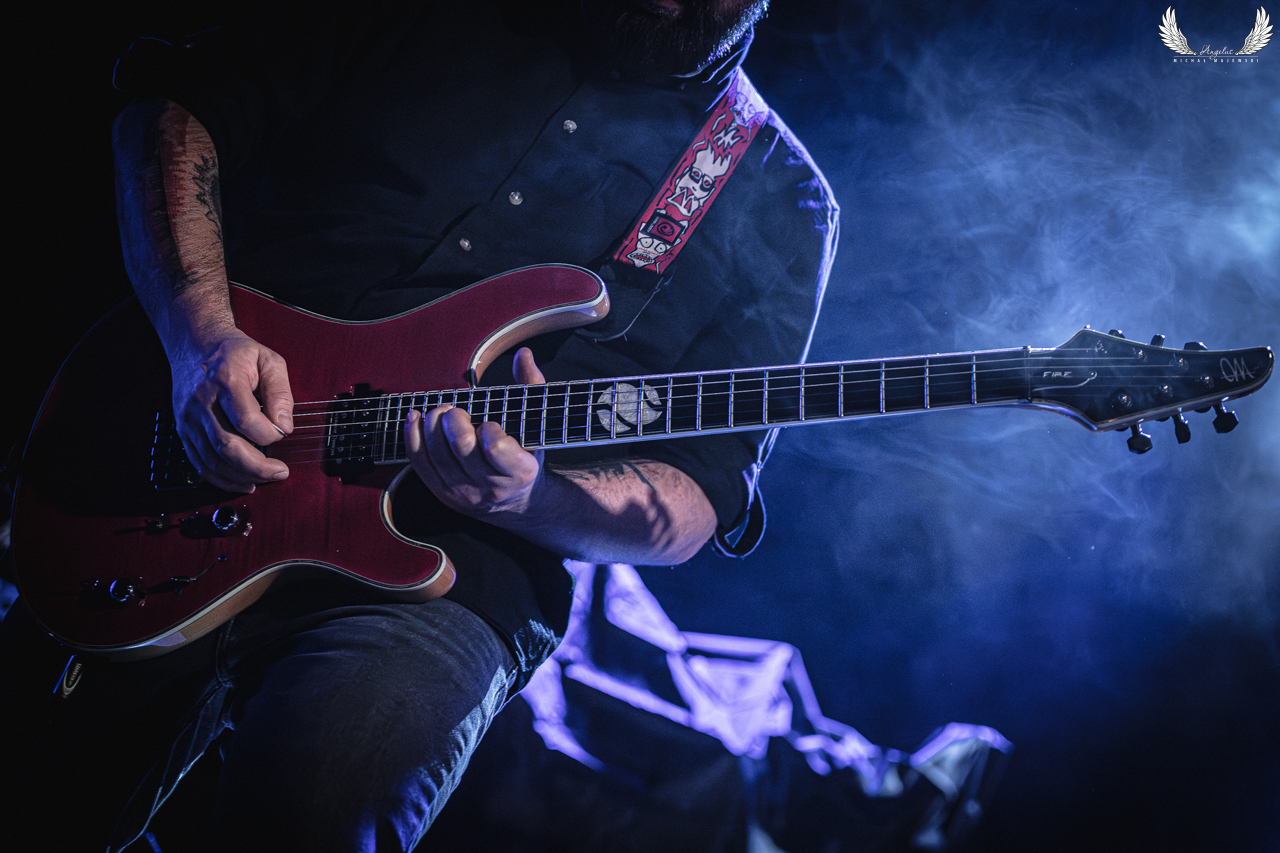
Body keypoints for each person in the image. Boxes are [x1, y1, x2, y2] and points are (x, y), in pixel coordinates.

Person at [0, 0, 836, 849]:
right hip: (191, 455)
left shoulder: (783, 200)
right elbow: (173, 111)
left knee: (315, 819)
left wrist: (534, 497)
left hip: (450, 575)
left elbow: (698, 490)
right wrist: (201, 335)